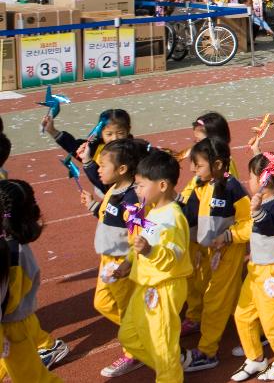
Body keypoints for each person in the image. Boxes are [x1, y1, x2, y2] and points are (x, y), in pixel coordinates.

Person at [113, 150, 192, 383]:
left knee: (162, 345)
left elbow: (172, 256)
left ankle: (169, 373)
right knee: (129, 336)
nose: (136, 190)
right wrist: (129, 261)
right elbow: (144, 241)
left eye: (140, 185)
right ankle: (170, 368)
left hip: (164, 288)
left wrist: (149, 251)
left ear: (163, 185)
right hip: (145, 285)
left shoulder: (173, 218)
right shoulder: (153, 212)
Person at [181, 137, 249, 373]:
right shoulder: (203, 186)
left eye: (197, 165)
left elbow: (249, 223)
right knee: (233, 295)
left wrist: (229, 236)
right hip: (213, 252)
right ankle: (258, 331)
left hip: (229, 252)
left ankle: (207, 352)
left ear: (218, 164)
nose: (192, 170)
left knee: (215, 299)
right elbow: (196, 220)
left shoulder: (234, 189)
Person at [227, 152, 274, 382]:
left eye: (251, 176)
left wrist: (257, 212)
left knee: (273, 321)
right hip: (256, 270)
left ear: (263, 179)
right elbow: (252, 229)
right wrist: (229, 236)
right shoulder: (263, 203)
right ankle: (255, 358)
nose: (249, 181)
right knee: (243, 314)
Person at [88, 138, 147, 377]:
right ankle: (142, 334)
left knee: (125, 310)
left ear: (122, 170)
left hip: (120, 265)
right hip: (107, 262)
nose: (98, 169)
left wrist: (127, 263)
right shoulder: (114, 189)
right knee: (102, 303)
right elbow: (107, 215)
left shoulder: (132, 201)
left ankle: (134, 352)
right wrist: (93, 206)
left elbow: (141, 233)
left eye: (103, 165)